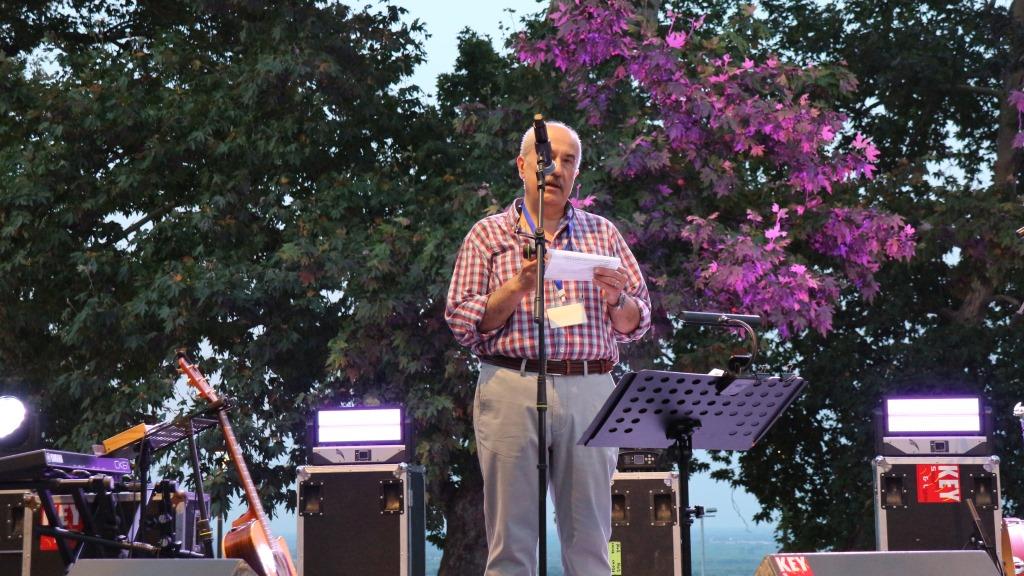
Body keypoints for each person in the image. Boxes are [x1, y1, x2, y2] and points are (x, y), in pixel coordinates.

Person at [445, 120, 651, 576]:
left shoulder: (603, 234)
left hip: (590, 386)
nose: (556, 168)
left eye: (567, 160)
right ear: (522, 166)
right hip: (511, 382)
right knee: (511, 541)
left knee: (591, 540)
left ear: (577, 173)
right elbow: (461, 320)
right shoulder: (488, 235)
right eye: (546, 158)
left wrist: (616, 299)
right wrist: (518, 285)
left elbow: (638, 322)